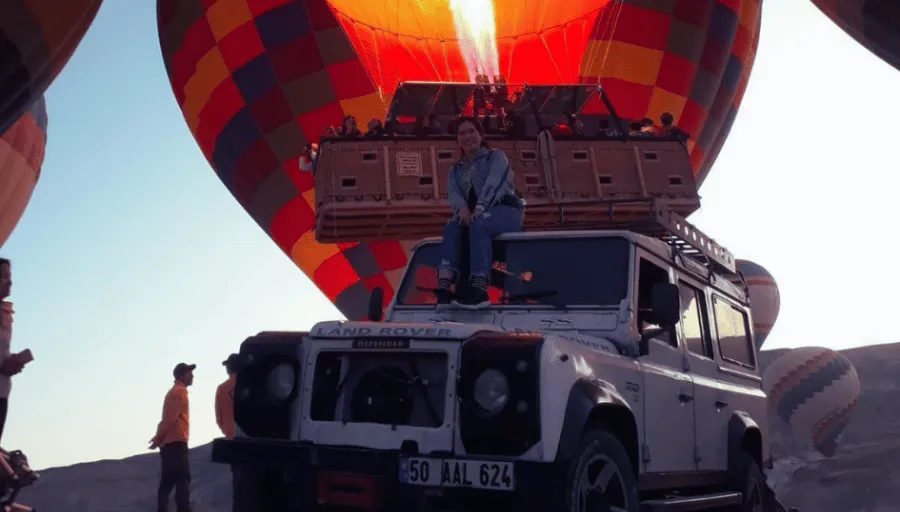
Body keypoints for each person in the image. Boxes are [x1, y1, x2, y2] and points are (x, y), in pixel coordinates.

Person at [436, 116, 524, 307]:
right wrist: (462, 210)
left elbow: (495, 183)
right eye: (462, 133)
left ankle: (480, 286)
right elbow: (454, 194)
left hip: (505, 211)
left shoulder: (496, 156)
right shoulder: (455, 170)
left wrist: (479, 208)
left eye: (471, 132)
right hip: (474, 216)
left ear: (480, 134)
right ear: (457, 139)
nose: (468, 136)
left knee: (480, 224)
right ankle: (444, 285)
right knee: (451, 227)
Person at [150, 362, 195, 512]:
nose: (192, 376)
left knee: (168, 481)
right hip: (176, 442)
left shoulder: (175, 392)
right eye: (189, 373)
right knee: (182, 479)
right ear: (182, 375)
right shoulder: (178, 392)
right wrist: (158, 437)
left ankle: (163, 509)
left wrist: (159, 438)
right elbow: (171, 418)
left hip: (170, 443)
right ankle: (183, 509)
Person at [0, 259, 23, 445]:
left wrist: (12, 362)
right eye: (3, 277)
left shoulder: (6, 314)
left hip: (2, 391)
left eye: (10, 277)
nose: (9, 282)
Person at [215, 355, 238, 439]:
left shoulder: (222, 389)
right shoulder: (251, 386)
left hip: (230, 437)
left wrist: (228, 432)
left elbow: (219, 418)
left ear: (228, 369)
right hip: (249, 437)